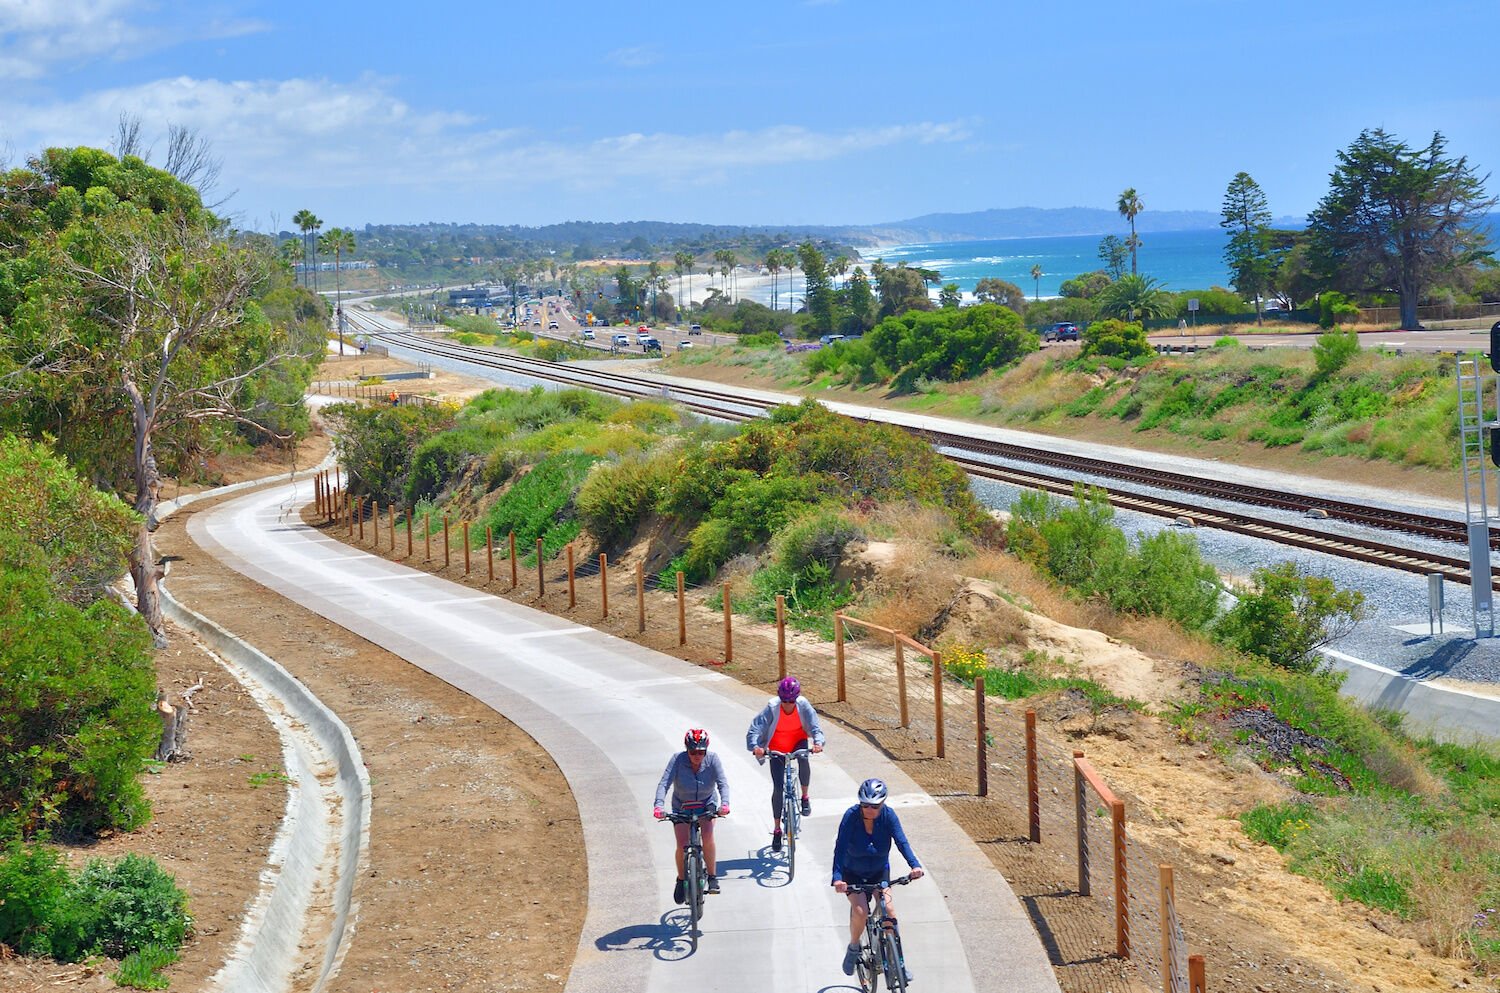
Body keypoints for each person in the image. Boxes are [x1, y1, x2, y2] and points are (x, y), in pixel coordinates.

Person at [831, 778, 924, 978]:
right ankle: (854, 947)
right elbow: (839, 848)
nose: (869, 809)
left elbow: (902, 841)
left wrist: (914, 865)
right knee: (861, 910)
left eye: (874, 806)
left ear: (882, 804)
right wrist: (837, 877)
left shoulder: (889, 816)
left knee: (889, 911)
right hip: (853, 873)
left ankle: (896, 964)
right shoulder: (851, 817)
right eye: (865, 805)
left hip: (878, 870)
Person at [745, 675, 825, 852]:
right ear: (780, 698)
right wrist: (755, 746)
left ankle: (804, 796)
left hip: (797, 742)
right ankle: (777, 829)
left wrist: (818, 743)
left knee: (804, 759)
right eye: (785, 700)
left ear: (796, 698)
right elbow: (755, 729)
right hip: (776, 748)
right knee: (778, 787)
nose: (788, 704)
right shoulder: (772, 707)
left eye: (791, 701)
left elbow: (815, 727)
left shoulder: (803, 706)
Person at [653, 728, 730, 904]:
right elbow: (664, 783)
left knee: (708, 837)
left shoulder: (713, 760)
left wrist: (725, 804)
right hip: (682, 805)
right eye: (693, 752)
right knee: (681, 845)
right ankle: (681, 880)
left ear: (706, 750)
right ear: (687, 750)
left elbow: (723, 784)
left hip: (706, 804)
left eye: (701, 752)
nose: (697, 756)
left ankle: (712, 877)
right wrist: (658, 805)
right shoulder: (677, 760)